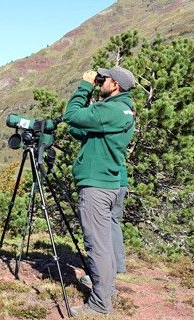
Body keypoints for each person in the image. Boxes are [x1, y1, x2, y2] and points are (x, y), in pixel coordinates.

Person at [62, 66, 135, 316]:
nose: (100, 81)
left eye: (105, 80)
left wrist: (84, 87)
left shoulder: (111, 109)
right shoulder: (122, 109)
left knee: (98, 245)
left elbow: (71, 115)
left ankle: (99, 304)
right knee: (105, 241)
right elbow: (82, 128)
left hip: (97, 186)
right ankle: (108, 287)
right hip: (109, 183)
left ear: (115, 85)